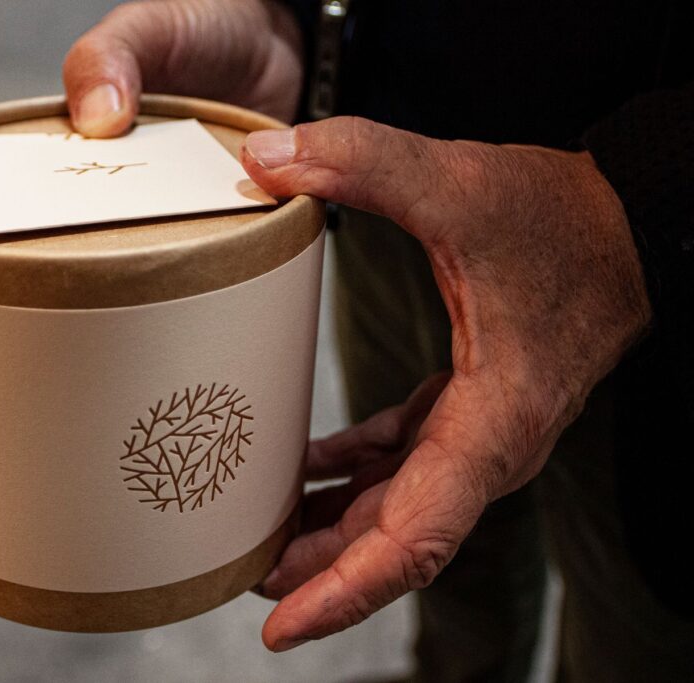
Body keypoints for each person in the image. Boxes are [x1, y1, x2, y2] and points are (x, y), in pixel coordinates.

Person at [61, 1, 694, 680]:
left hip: (652, 280)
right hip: (380, 189)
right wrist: (299, 29)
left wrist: (634, 204)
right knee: (419, 509)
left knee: (637, 615)